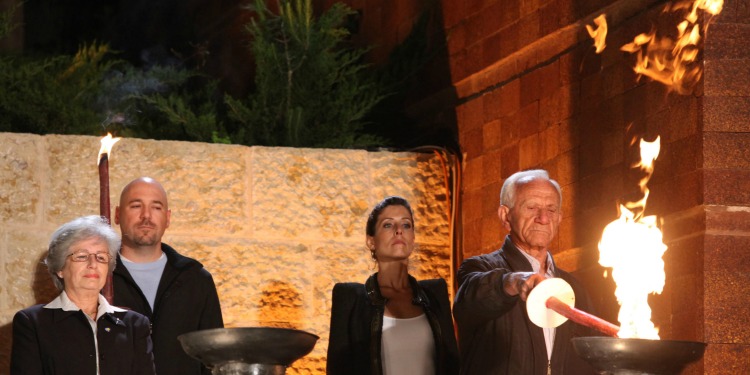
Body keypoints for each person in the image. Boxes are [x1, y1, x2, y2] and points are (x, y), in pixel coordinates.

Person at [452, 169, 597, 375]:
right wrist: (513, 282)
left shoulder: (574, 289)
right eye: (531, 207)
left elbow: (588, 362)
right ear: (505, 215)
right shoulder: (478, 268)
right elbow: (470, 299)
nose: (543, 218)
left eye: (551, 210)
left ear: (559, 218)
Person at [327, 196, 460, 375]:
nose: (399, 231)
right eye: (388, 225)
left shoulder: (435, 294)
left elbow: (452, 366)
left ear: (412, 238)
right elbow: (338, 370)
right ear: (371, 241)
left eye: (406, 225)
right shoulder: (351, 298)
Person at [11, 215, 156, 374]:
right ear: (60, 268)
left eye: (101, 257)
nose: (93, 264)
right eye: (81, 256)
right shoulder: (32, 323)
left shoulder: (135, 325)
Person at [112, 177, 224, 375]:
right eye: (136, 206)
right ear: (117, 214)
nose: (146, 216)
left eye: (156, 207)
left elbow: (215, 359)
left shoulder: (195, 279)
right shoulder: (99, 277)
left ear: (168, 217)